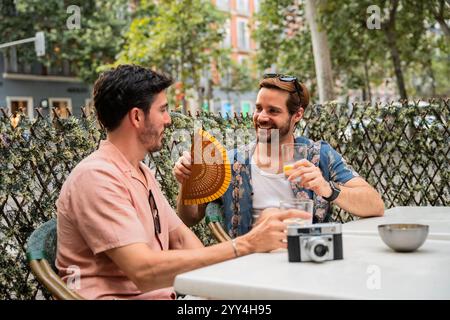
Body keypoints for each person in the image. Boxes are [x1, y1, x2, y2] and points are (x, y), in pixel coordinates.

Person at [55, 65, 309, 300]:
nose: (168, 120)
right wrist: (246, 244)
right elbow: (144, 272)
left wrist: (226, 285)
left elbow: (183, 240)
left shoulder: (139, 171)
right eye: (163, 110)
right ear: (136, 117)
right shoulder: (97, 177)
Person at [175, 74, 384, 238]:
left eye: (273, 111)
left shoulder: (319, 156)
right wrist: (186, 182)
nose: (262, 117)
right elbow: (190, 218)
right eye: (258, 108)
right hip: (250, 264)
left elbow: (375, 205)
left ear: (297, 115)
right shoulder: (229, 162)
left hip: (309, 258)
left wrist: (327, 188)